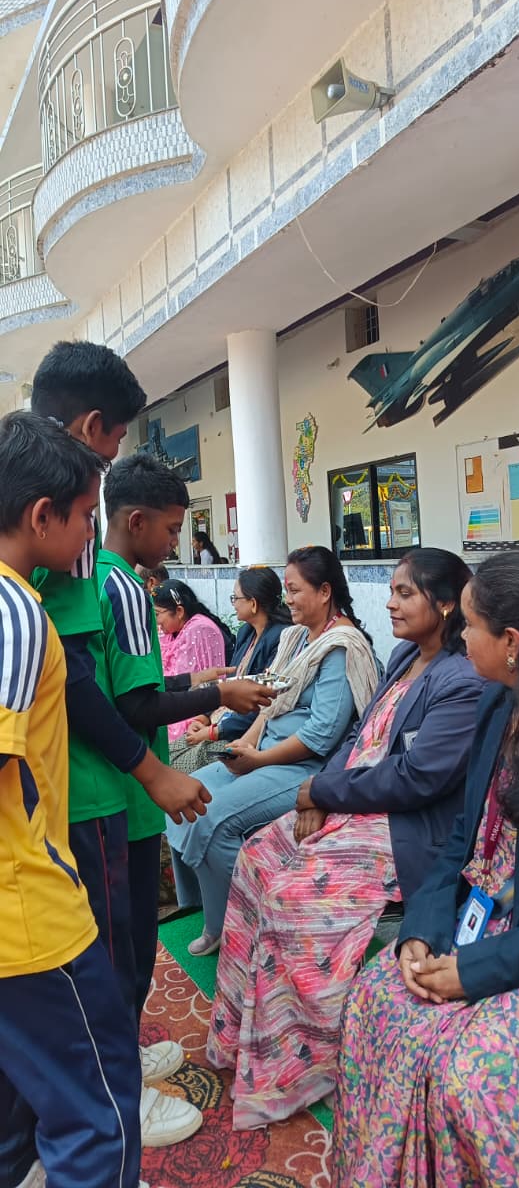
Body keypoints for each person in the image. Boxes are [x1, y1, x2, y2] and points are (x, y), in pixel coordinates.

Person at [207, 548, 484, 1128]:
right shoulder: (405, 656)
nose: (391, 604)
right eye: (392, 591)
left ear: (444, 604)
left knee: (293, 895)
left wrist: (324, 792)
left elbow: (417, 778)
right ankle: (242, 1036)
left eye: (405, 593)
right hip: (352, 799)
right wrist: (322, 790)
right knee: (257, 858)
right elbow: (360, 736)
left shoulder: (460, 679)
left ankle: (304, 1063)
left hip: (403, 826)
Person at [28, 340, 216, 1155]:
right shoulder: (74, 565)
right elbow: (84, 685)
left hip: (64, 793)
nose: (91, 515)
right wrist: (151, 768)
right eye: (110, 450)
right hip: (89, 794)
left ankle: (107, 1079)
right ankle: (111, 1101)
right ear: (91, 427)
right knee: (98, 966)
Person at [332, 550, 519, 1188]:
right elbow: (462, 838)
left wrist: (476, 969)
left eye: (470, 625)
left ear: (512, 642)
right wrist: (421, 929)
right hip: (477, 925)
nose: (460, 638)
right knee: (376, 999)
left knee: (466, 1071)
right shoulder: (498, 705)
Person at [0, 412, 145, 1188]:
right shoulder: (16, 610)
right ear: (40, 515)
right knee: (99, 1110)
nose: (92, 532)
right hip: (29, 914)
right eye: (86, 515)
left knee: (21, 1100)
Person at [96, 455, 278, 1011]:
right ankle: (126, 1051)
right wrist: (219, 694)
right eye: (173, 528)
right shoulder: (128, 589)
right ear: (137, 522)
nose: (177, 541)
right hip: (129, 787)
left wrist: (194, 681)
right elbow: (136, 705)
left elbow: (125, 683)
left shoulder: (98, 577)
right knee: (131, 941)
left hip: (112, 779)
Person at [168, 546, 380, 957]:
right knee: (182, 794)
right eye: (286, 589)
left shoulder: (341, 647)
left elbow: (321, 735)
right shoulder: (296, 637)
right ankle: (212, 911)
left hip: (302, 767)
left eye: (295, 590)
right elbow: (271, 705)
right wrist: (247, 743)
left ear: (324, 592)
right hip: (263, 751)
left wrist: (259, 759)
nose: (287, 599)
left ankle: (254, 927)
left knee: (212, 818)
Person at [183, 565, 292, 771]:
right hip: (221, 721)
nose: (233, 604)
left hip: (242, 733)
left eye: (236, 598)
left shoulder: (281, 638)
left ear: (253, 603)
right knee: (168, 754)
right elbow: (230, 684)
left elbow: (265, 701)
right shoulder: (246, 633)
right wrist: (204, 717)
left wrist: (214, 731)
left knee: (179, 767)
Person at [154, 580, 233, 760]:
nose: (156, 622)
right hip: (176, 703)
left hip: (195, 712)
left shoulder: (199, 629)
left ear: (179, 611)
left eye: (157, 614)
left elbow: (194, 684)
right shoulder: (172, 632)